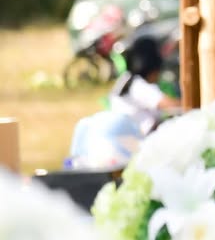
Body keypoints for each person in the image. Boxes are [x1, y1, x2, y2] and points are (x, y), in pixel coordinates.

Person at [67, 35, 181, 170]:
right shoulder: (139, 86)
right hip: (129, 145)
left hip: (118, 141)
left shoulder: (126, 79)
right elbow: (172, 105)